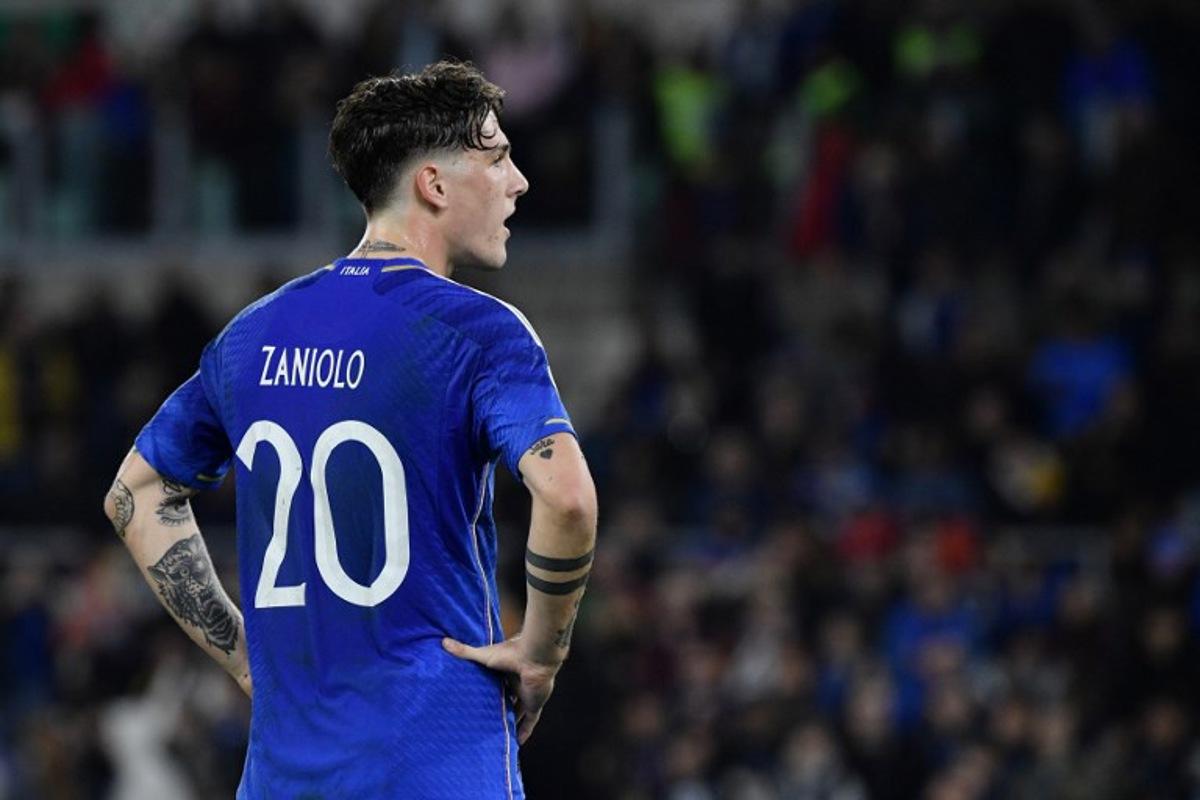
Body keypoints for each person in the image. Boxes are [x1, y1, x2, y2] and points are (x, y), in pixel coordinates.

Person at [102, 60, 597, 799]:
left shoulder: (252, 335)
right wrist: (541, 653)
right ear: (433, 184)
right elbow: (568, 500)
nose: (518, 180)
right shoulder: (476, 330)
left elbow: (134, 496)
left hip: (284, 773)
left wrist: (245, 658)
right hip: (435, 757)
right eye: (497, 158)